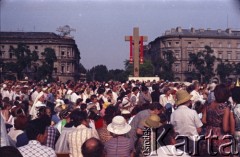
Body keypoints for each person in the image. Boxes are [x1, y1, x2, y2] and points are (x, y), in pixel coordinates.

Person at [202, 84, 235, 155]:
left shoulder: (208, 105)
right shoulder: (225, 108)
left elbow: (203, 121)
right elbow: (225, 128)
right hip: (220, 137)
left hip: (209, 135)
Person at [170, 90, 203, 155]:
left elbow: (173, 129)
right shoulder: (193, 112)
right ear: (188, 101)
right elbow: (199, 129)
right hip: (193, 140)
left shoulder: (173, 114)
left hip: (179, 141)